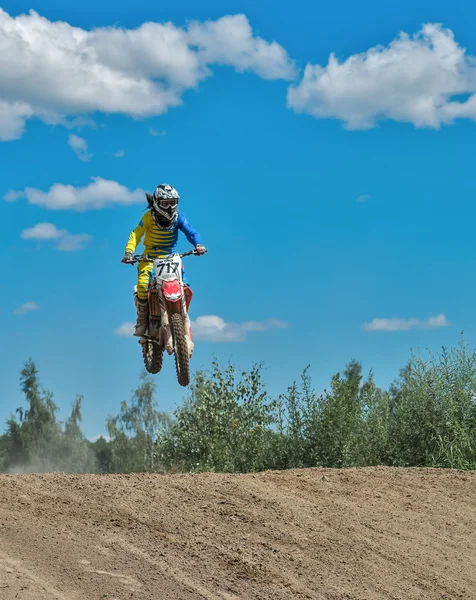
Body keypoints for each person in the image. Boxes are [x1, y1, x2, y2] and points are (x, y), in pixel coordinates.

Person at [121, 183, 206, 336]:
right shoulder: (148, 217)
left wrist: (198, 244)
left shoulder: (178, 217)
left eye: (173, 202)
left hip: (171, 256)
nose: (170, 207)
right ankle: (142, 320)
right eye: (166, 203)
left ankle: (182, 315)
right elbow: (136, 234)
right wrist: (129, 252)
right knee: (142, 285)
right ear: (157, 203)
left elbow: (191, 231)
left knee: (185, 285)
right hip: (149, 257)